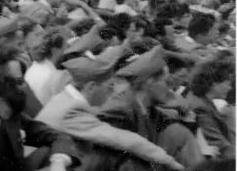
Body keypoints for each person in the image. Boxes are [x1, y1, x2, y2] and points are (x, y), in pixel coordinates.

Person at [35, 57, 185, 171]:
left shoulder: (64, 100)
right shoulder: (71, 110)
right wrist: (168, 161)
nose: (113, 92)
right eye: (110, 86)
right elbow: (122, 139)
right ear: (92, 87)